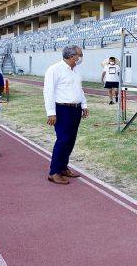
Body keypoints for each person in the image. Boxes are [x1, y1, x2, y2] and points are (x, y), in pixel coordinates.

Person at [43, 45, 89, 185]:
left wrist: (84, 104)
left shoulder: (76, 70)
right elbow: (48, 91)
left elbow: (79, 89)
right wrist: (51, 113)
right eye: (79, 55)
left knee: (71, 140)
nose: (81, 58)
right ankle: (54, 172)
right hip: (62, 109)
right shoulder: (54, 69)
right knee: (63, 140)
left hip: (75, 109)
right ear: (71, 56)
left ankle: (63, 167)